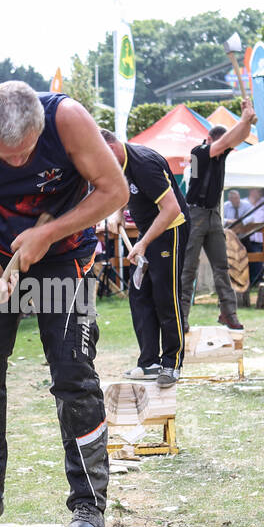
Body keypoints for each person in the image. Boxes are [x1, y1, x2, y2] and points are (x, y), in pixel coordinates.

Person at [0, 80, 128, 527]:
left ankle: (88, 501)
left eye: (26, 153)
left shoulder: (68, 121)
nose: (19, 163)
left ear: (40, 127)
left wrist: (50, 232)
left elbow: (114, 191)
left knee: (72, 372)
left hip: (65, 255)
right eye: (8, 157)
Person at [101, 129, 189, 387]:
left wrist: (143, 242)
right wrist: (119, 212)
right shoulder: (120, 162)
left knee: (166, 296)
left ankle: (171, 364)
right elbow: (124, 187)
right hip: (148, 232)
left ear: (113, 147)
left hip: (171, 229)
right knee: (139, 294)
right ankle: (149, 362)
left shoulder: (144, 164)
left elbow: (171, 209)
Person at [179, 106, 257, 331]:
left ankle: (228, 313)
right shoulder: (199, 151)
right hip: (195, 214)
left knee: (221, 267)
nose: (226, 147)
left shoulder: (218, 151)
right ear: (210, 139)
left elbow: (236, 138)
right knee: (188, 269)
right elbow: (227, 141)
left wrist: (247, 122)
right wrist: (243, 120)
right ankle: (182, 317)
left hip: (213, 213)